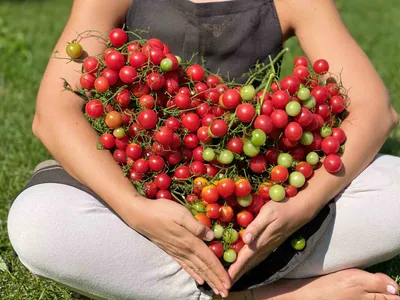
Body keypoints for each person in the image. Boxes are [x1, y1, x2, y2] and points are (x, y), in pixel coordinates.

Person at [7, 0, 400, 299]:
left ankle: (196, 284)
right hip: (139, 178)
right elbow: (54, 113)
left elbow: (375, 109)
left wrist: (302, 207)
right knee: (38, 224)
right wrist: (134, 209)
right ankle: (271, 293)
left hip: (253, 192)